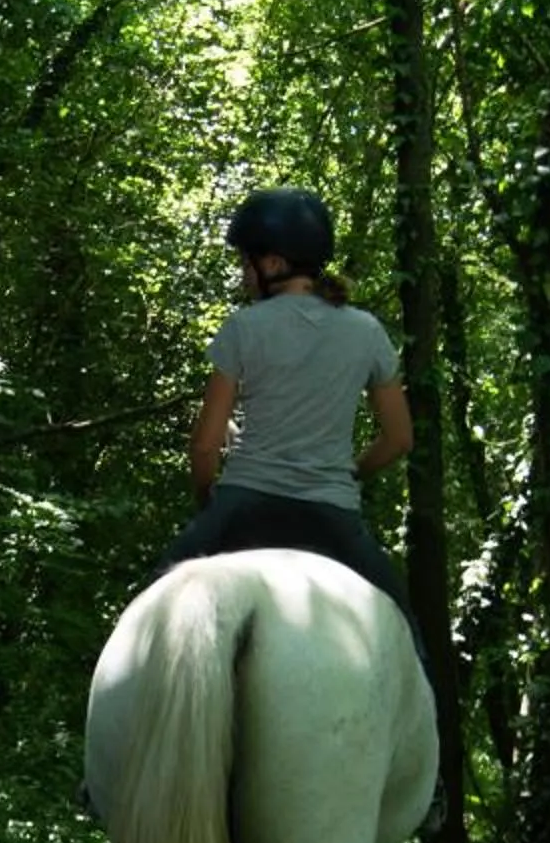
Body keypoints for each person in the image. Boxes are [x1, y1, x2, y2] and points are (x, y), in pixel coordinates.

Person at [150, 187, 420, 638]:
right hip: (332, 514)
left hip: (243, 505)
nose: (243, 275)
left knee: (150, 614)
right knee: (405, 633)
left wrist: (207, 503)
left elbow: (204, 446)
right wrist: (347, 472)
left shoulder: (243, 328)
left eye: (246, 263)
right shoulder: (366, 331)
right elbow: (399, 440)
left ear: (273, 264)